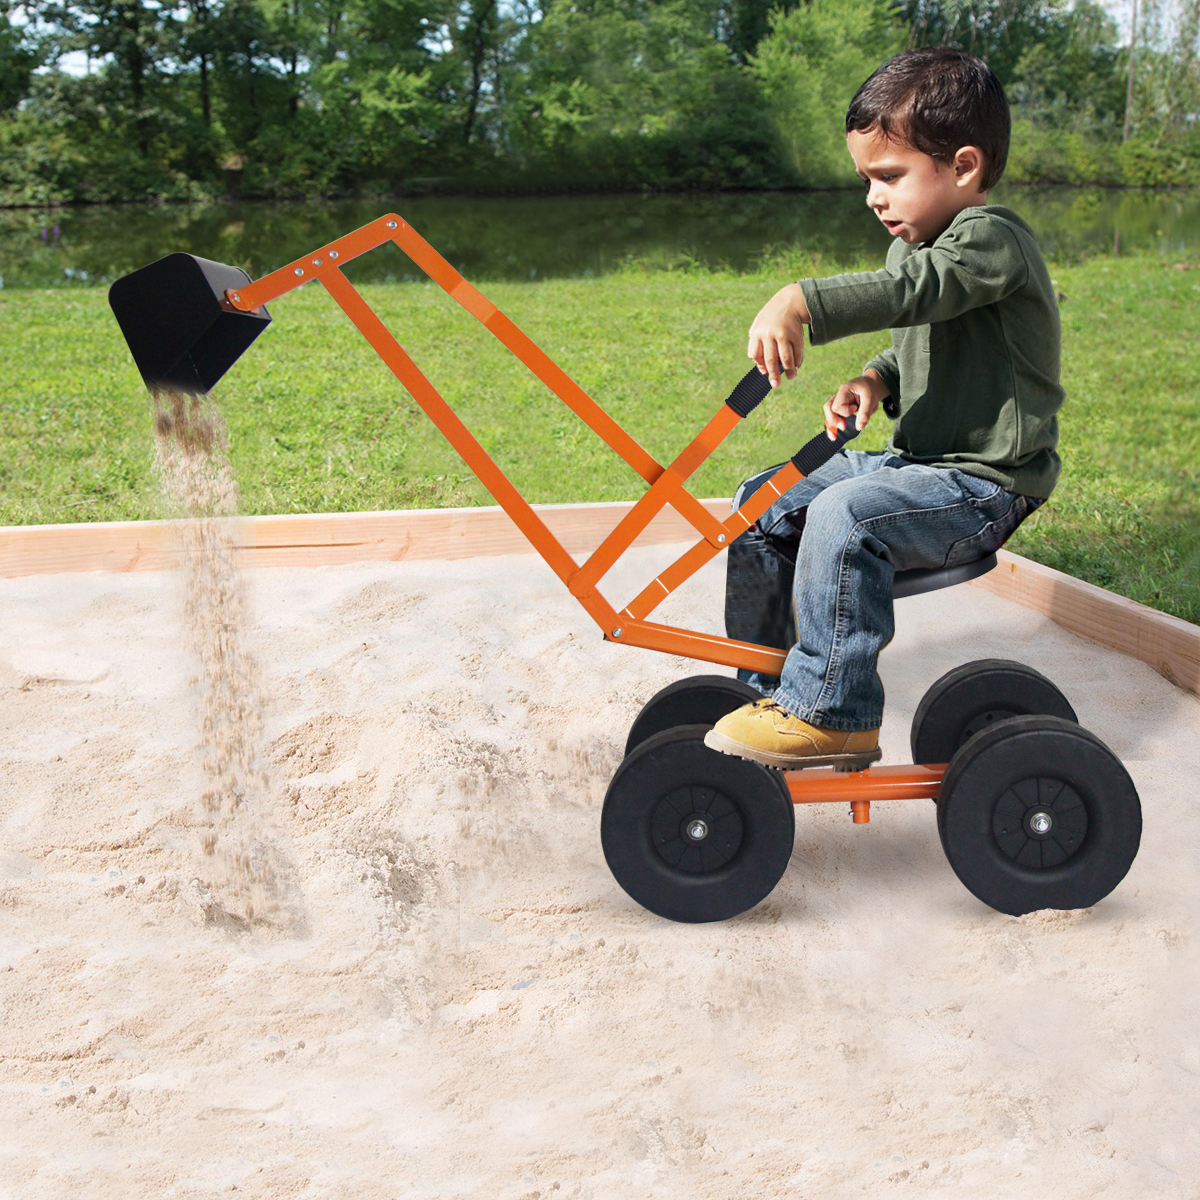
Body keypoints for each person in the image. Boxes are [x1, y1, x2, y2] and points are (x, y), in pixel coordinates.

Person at [705, 47, 1062, 771]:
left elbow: (920, 294)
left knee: (847, 515)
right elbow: (918, 341)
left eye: (889, 176)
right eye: (866, 179)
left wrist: (801, 300)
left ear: (963, 166)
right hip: (921, 465)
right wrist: (875, 379)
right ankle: (770, 687)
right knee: (761, 501)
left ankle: (830, 712)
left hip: (983, 484)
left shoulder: (992, 242)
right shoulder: (918, 251)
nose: (873, 196)